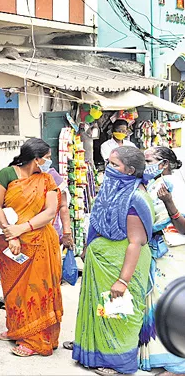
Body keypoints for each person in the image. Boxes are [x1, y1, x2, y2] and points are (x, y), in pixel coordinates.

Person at [72, 146, 153, 375]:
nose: (109, 169)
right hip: (101, 260)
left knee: (119, 312)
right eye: (108, 163)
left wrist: (123, 280)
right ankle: (93, 350)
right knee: (97, 307)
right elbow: (98, 219)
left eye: (114, 165)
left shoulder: (135, 197)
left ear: (130, 170)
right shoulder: (111, 188)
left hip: (123, 265)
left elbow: (135, 242)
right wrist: (89, 246)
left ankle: (119, 363)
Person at [0, 137, 63, 357]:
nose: (50, 162)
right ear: (36, 158)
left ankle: (35, 340)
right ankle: (16, 329)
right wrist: (9, 233)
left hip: (40, 241)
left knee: (37, 289)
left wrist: (21, 229)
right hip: (10, 241)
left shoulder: (47, 179)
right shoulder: (7, 174)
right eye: (47, 158)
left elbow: (50, 212)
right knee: (13, 289)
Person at [140, 146, 185, 376]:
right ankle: (159, 357)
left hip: (174, 252)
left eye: (148, 159)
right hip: (157, 252)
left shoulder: (176, 186)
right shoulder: (152, 184)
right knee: (156, 305)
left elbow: (183, 227)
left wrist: (169, 203)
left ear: (164, 163)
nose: (144, 163)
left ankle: (178, 366)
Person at [47, 167, 75, 251]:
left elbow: (63, 205)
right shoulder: (21, 175)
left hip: (53, 234)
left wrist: (67, 233)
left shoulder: (52, 175)